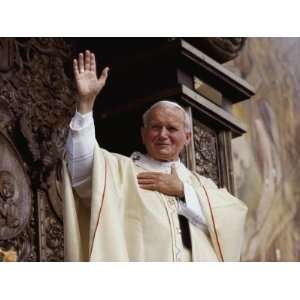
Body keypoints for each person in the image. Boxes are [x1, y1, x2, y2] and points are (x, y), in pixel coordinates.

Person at [63, 50, 247, 262]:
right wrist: (85, 106)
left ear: (187, 137)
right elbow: (82, 170)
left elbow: (233, 219)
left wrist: (183, 191)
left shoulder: (201, 186)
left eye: (171, 128)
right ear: (143, 134)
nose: (163, 135)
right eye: (155, 127)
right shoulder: (122, 171)